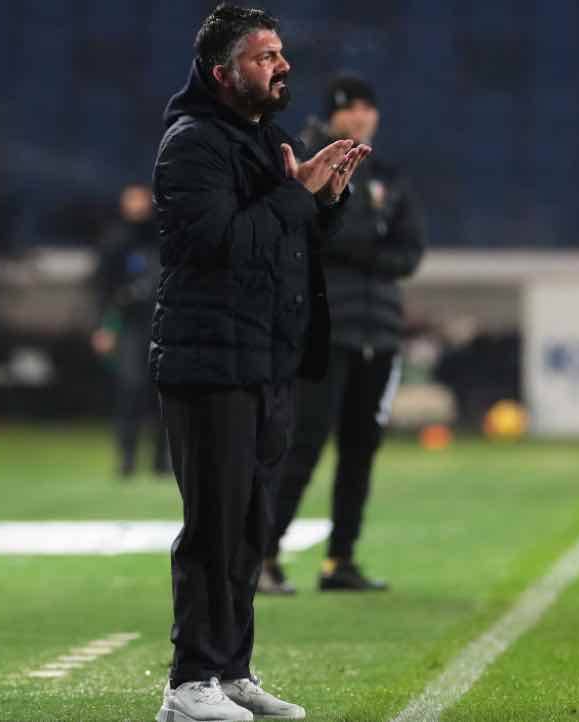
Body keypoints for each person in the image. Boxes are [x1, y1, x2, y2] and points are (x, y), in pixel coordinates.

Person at [149, 5, 371, 721]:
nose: (283, 66)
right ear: (223, 73)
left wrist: (325, 201)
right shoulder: (192, 145)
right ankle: (189, 683)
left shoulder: (266, 141)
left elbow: (285, 243)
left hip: (265, 358)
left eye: (280, 53)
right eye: (265, 56)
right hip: (208, 361)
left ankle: (230, 669)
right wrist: (294, 194)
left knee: (250, 524)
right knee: (213, 524)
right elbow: (220, 243)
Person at [260, 75, 426, 595]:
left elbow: (411, 251)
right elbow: (314, 232)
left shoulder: (389, 174)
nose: (360, 116)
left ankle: (340, 560)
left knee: (361, 449)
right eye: (350, 107)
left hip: (380, 331)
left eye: (367, 107)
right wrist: (367, 242)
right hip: (323, 326)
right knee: (303, 443)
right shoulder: (305, 158)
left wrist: (358, 245)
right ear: (332, 114)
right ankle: (263, 556)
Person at [91, 184, 170, 479]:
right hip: (130, 326)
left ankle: (163, 460)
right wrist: (103, 327)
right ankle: (127, 459)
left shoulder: (163, 236)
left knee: (165, 392)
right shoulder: (115, 240)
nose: (137, 206)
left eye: (140, 200)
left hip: (163, 324)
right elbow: (102, 289)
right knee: (130, 390)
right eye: (131, 201)